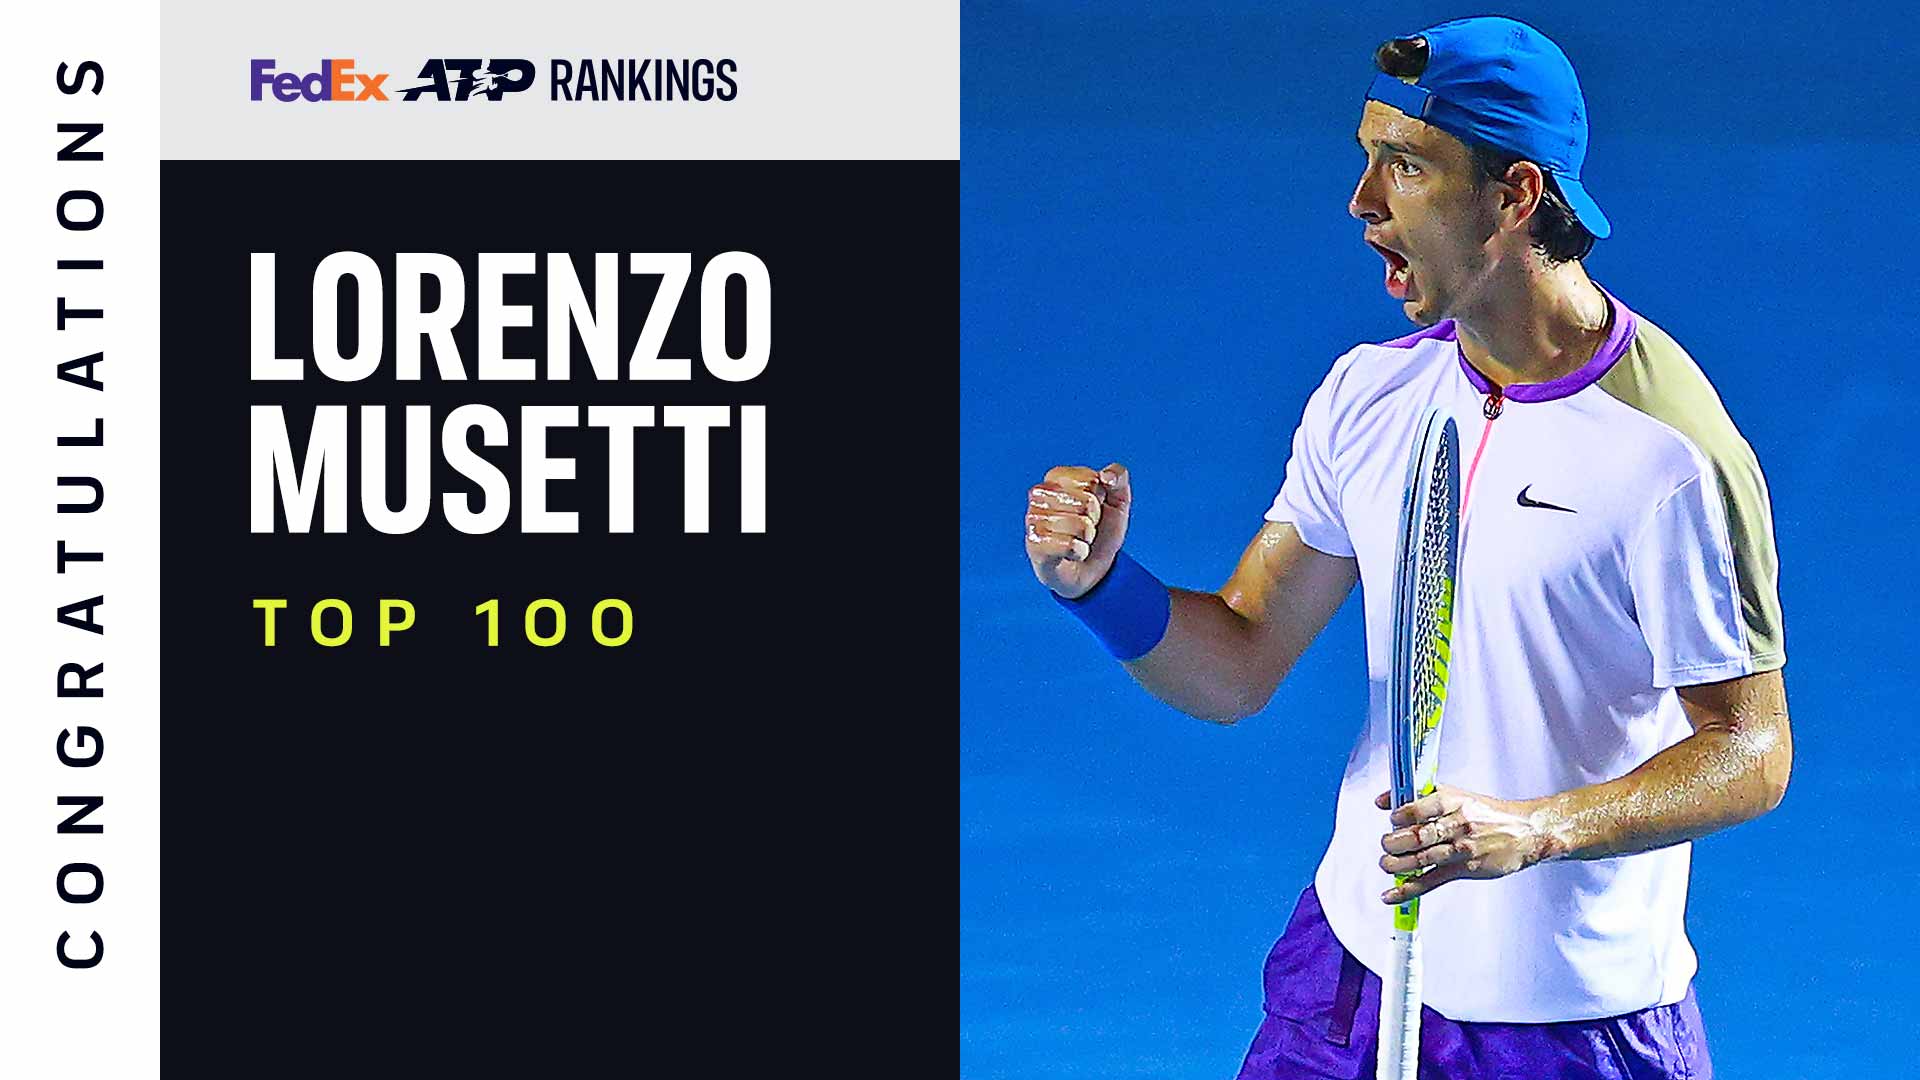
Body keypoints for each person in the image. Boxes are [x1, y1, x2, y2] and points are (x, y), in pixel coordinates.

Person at [1022, 16, 1789, 1079]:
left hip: (1574, 1028)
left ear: (1515, 196)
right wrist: (1102, 588)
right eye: (1367, 158)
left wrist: (1538, 829)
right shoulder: (1370, 395)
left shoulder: (1672, 457)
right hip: (1348, 986)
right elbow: (1239, 660)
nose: (1363, 202)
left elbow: (1751, 751)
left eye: (1407, 166)